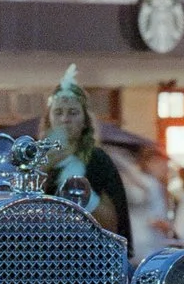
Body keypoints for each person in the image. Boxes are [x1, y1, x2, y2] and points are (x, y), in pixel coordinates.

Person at [30, 67, 129, 235]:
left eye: (73, 113)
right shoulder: (35, 157)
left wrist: (84, 195)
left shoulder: (97, 160)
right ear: (49, 120)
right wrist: (42, 169)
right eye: (58, 112)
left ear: (84, 121)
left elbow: (113, 224)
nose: (65, 119)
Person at [118, 143, 175, 261]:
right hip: (145, 245)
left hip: (145, 244)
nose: (166, 168)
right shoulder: (148, 184)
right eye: (162, 163)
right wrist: (165, 225)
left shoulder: (148, 183)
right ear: (150, 162)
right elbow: (154, 218)